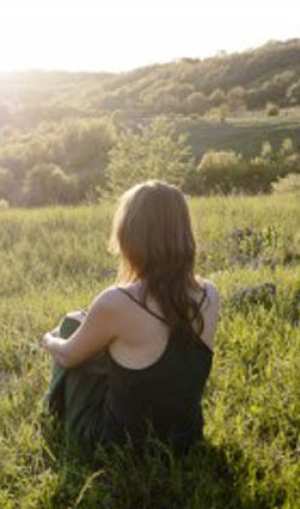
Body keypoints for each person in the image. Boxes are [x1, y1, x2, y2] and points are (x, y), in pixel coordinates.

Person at [41, 180, 220, 456]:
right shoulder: (210, 294)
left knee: (69, 327)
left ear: (130, 234)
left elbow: (67, 356)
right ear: (184, 233)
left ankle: (50, 416)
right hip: (184, 440)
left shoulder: (118, 301)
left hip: (118, 447)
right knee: (85, 325)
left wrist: (50, 339)